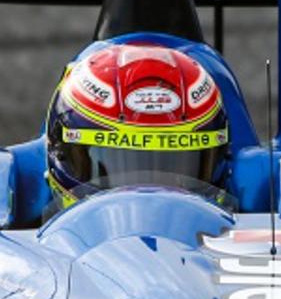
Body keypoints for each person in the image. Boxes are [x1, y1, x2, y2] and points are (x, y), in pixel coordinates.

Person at [45, 42, 231, 208]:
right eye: (117, 159)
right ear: (60, 153)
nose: (146, 203)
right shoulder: (21, 183)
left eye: (171, 164)